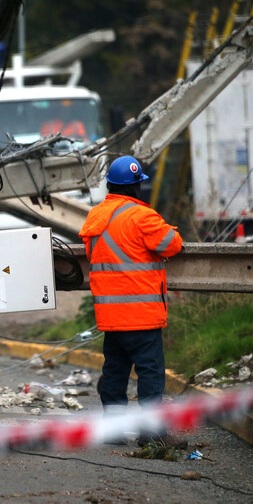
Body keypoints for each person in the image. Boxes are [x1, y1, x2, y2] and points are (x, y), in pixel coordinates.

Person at [78, 155, 183, 444]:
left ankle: (113, 429)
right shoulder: (143, 217)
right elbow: (172, 245)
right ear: (136, 187)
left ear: (111, 186)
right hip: (141, 314)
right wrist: (171, 228)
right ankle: (152, 433)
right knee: (150, 373)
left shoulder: (95, 217)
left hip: (111, 316)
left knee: (115, 371)